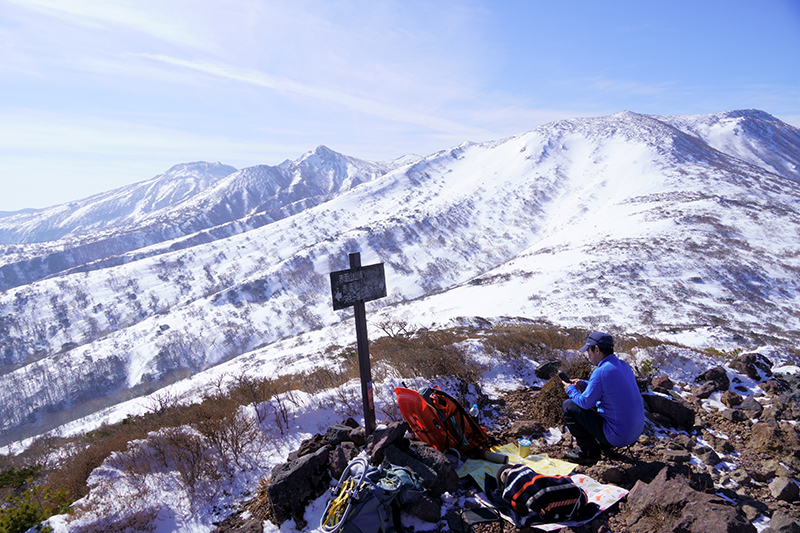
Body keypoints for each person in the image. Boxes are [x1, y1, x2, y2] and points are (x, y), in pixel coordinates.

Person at [561, 332, 644, 465]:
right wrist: (584, 384)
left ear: (597, 350)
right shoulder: (623, 365)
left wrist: (570, 389)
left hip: (618, 437)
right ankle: (603, 446)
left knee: (569, 406)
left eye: (589, 351)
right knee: (596, 402)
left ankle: (589, 453)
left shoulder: (601, 371)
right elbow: (610, 390)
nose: (588, 355)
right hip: (635, 433)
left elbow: (585, 403)